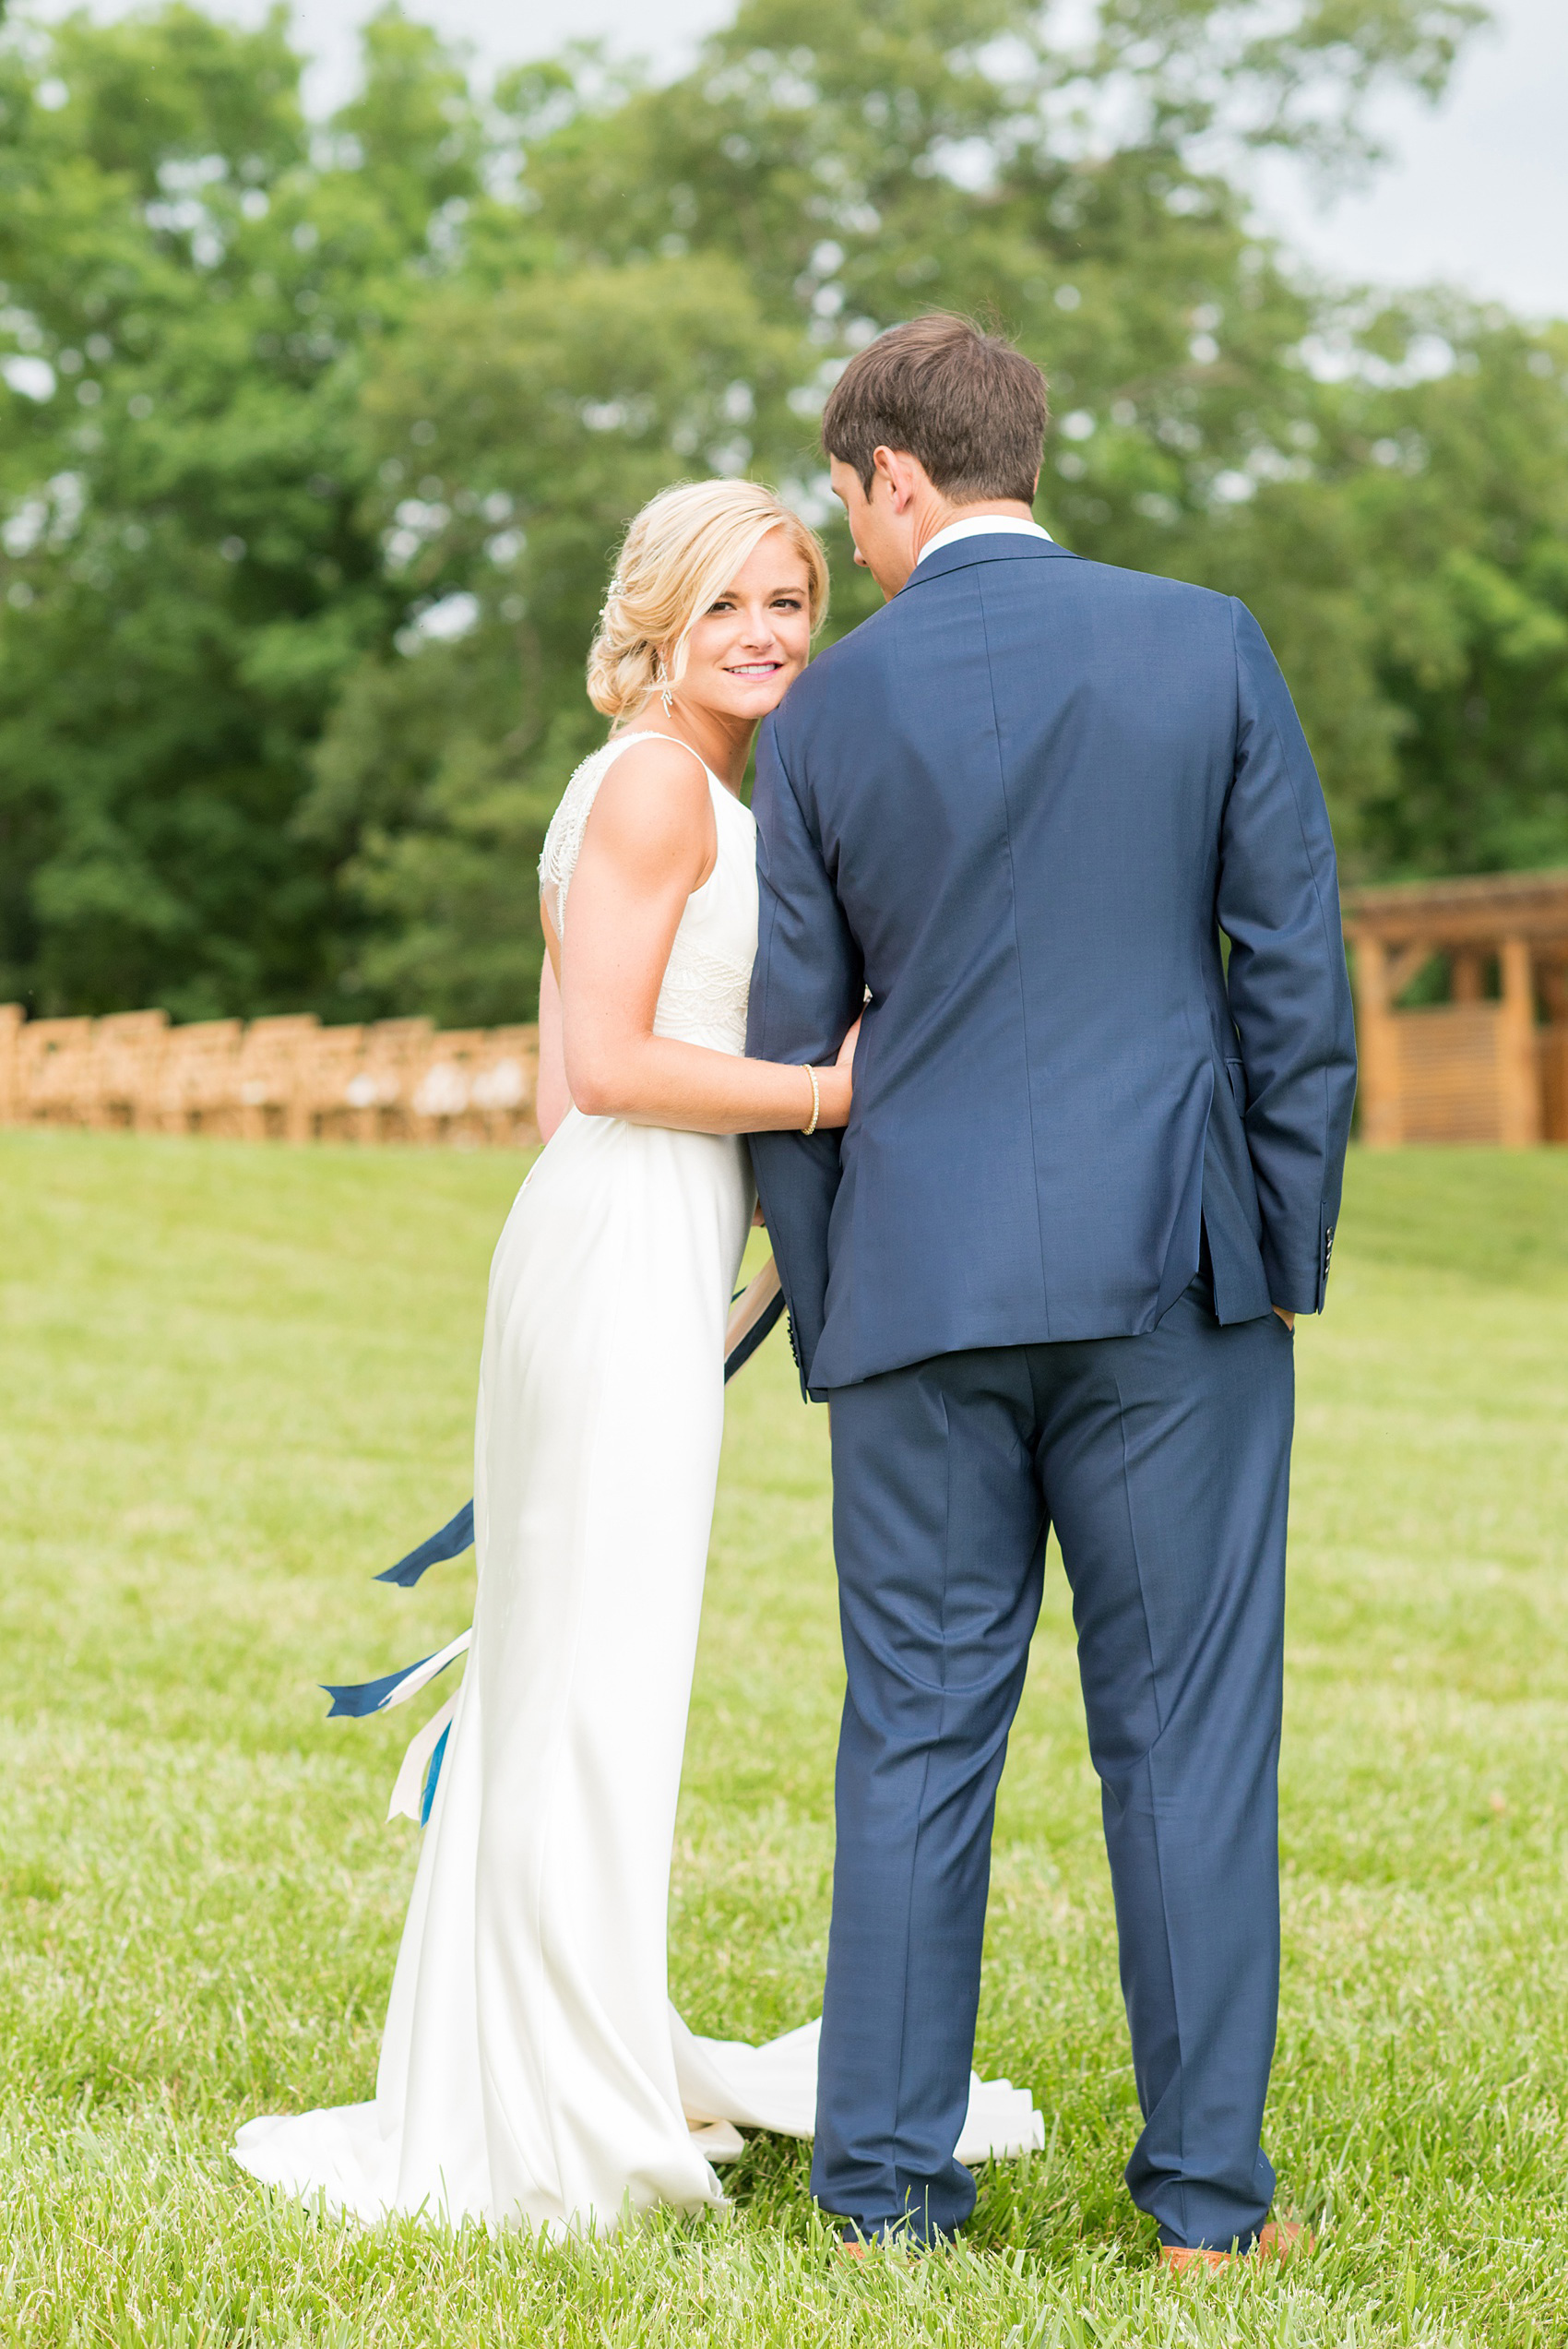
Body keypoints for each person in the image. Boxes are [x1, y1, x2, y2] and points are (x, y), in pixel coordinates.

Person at [232, 476, 1039, 2235]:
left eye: (793, 604)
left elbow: (562, 1087)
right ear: (660, 613)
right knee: (591, 1683)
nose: (767, 633)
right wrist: (839, 1091)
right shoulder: (665, 782)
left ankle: (558, 2032)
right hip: (612, 1250)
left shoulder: (671, 784)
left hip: (625, 1247)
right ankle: (545, 2094)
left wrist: (719, 1260)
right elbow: (603, 1063)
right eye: (734, 601)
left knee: (591, 1676)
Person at [747, 314, 1358, 2268]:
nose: (847, 539)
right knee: (1185, 1735)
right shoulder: (1206, 641)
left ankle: (883, 2201)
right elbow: (1292, 977)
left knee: (913, 1733)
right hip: (1176, 1281)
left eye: (845, 502)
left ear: (895, 478)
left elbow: (788, 1047)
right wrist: (1274, 1255)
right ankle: (1199, 2210)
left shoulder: (826, 715)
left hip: (917, 1290)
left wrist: (837, 1309)